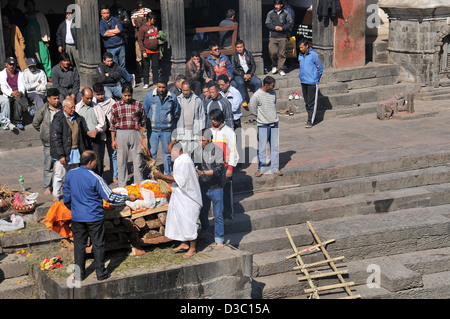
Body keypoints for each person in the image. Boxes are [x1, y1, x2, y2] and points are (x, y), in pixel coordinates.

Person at [63, 150, 137, 281]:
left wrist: (74, 209)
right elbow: (110, 197)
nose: (97, 163)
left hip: (77, 217)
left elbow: (67, 197)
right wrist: (128, 197)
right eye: (96, 161)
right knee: (98, 244)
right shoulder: (95, 178)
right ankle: (101, 273)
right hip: (93, 217)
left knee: (79, 245)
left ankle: (79, 274)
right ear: (91, 163)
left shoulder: (70, 175)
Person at [153, 141, 202, 258]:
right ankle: (184, 243)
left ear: (176, 151)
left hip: (189, 198)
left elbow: (177, 179)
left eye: (170, 153)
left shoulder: (184, 161)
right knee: (180, 221)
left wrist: (161, 176)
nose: (169, 155)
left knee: (189, 223)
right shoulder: (179, 161)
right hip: (180, 196)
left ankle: (193, 248)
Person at [50, 98, 88, 202]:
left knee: (74, 174)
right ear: (64, 108)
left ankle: (73, 193)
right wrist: (61, 155)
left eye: (74, 107)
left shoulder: (78, 118)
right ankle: (56, 194)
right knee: (59, 174)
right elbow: (55, 138)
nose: (73, 109)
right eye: (71, 107)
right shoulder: (58, 119)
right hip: (63, 151)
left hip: (75, 150)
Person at [110, 83, 146, 187]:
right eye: (125, 95)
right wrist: (113, 140)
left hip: (135, 133)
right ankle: (122, 184)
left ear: (132, 94)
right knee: (121, 160)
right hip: (121, 134)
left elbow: (143, 122)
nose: (127, 98)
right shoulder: (116, 106)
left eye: (129, 95)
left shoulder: (138, 105)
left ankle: (138, 183)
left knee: (138, 159)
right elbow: (112, 126)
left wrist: (143, 138)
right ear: (121, 94)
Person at [194, 128, 226, 247]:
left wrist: (203, 173)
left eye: (203, 140)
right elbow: (192, 163)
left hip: (216, 187)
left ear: (209, 140)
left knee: (218, 215)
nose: (201, 142)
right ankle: (205, 231)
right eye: (200, 140)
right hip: (203, 186)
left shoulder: (217, 151)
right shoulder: (198, 151)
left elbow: (218, 170)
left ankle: (219, 238)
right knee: (203, 212)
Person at [143, 77, 180, 175]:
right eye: (159, 87)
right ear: (156, 86)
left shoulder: (172, 97)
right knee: (152, 153)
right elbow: (144, 112)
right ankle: (152, 173)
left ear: (166, 86)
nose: (161, 89)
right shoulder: (149, 96)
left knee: (167, 153)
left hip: (167, 130)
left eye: (163, 87)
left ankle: (167, 173)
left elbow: (176, 113)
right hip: (153, 130)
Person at [209, 109, 238, 225]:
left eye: (214, 119)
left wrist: (230, 168)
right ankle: (218, 215)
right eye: (211, 119)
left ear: (221, 119)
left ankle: (228, 215)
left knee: (226, 192)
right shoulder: (210, 131)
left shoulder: (229, 132)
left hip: (225, 166)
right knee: (216, 192)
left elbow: (234, 151)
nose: (213, 121)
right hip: (214, 166)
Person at [249, 76, 283, 177]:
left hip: (274, 124)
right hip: (263, 125)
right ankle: (262, 168)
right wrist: (261, 118)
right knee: (262, 148)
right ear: (266, 85)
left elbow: (273, 105)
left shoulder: (273, 93)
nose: (273, 87)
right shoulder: (257, 96)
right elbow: (253, 109)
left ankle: (275, 168)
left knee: (275, 147)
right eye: (272, 85)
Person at [32, 88, 61, 196]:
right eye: (54, 98)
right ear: (48, 99)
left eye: (58, 98)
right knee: (48, 165)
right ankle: (47, 186)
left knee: (62, 164)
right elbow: (35, 123)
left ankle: (61, 184)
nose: (57, 101)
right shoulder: (43, 110)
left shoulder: (62, 108)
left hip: (60, 141)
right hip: (49, 142)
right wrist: (44, 131)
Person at [76, 88, 107, 177]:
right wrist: (85, 132)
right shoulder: (78, 108)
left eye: (91, 98)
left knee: (97, 160)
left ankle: (98, 178)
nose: (90, 100)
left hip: (95, 137)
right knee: (85, 160)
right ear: (82, 97)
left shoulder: (96, 107)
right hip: (83, 138)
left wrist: (96, 130)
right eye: (87, 98)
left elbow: (103, 123)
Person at [93, 82, 118, 185]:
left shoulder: (111, 101)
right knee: (100, 156)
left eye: (102, 94)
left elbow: (115, 115)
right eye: (98, 94)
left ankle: (115, 176)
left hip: (110, 132)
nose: (100, 96)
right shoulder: (93, 103)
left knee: (113, 155)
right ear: (94, 94)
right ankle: (101, 177)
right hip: (99, 133)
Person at [298, 38, 324, 128]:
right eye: (300, 47)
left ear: (307, 46)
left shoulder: (314, 54)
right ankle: (311, 116)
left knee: (312, 102)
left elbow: (320, 68)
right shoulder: (300, 55)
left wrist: (316, 78)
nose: (300, 49)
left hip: (312, 82)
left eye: (302, 47)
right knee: (306, 101)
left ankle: (310, 120)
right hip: (303, 81)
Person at [175, 81, 205, 156]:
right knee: (184, 152)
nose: (185, 92)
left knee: (196, 152)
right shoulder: (178, 100)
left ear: (190, 89)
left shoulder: (197, 100)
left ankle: (195, 167)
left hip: (195, 130)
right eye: (183, 90)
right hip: (183, 130)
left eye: (187, 90)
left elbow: (202, 116)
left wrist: (201, 131)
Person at [24, 0, 52, 79]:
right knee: (31, 59)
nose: (29, 7)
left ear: (34, 5)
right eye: (27, 5)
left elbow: (45, 26)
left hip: (39, 40)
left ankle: (48, 75)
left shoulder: (39, 15)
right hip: (29, 42)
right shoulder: (24, 16)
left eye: (31, 5)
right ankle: (33, 77)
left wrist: (47, 40)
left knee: (44, 57)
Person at [265, 0, 293, 76]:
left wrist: (283, 28)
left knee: (282, 54)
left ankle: (280, 68)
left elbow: (290, 23)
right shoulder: (270, 13)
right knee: (272, 52)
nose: (276, 6)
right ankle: (274, 65)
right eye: (275, 5)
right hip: (273, 36)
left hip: (282, 36)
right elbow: (267, 23)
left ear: (281, 5)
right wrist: (274, 27)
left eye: (278, 5)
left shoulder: (286, 13)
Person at [230, 40, 262, 106]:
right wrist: (242, 75)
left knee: (258, 82)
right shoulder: (233, 56)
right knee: (240, 82)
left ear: (243, 47)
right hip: (239, 74)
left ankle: (258, 99)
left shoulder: (249, 54)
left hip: (249, 73)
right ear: (236, 48)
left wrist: (250, 74)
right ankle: (243, 100)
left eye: (241, 47)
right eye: (238, 47)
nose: (240, 49)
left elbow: (253, 65)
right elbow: (233, 69)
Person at [0, 57, 28, 130]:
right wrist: (12, 93)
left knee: (18, 100)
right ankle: (27, 108)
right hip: (8, 93)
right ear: (6, 64)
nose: (12, 66)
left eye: (13, 64)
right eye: (10, 64)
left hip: (18, 92)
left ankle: (17, 121)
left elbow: (22, 85)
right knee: (16, 99)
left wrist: (20, 92)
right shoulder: (2, 74)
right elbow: (3, 87)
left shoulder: (19, 73)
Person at [131, 0, 152, 83]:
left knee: (149, 54)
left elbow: (151, 22)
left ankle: (149, 71)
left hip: (147, 37)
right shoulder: (133, 12)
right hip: (138, 36)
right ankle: (140, 72)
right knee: (139, 55)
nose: (139, 2)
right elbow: (133, 24)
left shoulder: (148, 10)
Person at [138, 12, 160, 89]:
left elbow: (157, 35)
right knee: (146, 67)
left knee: (155, 66)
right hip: (147, 50)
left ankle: (155, 81)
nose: (154, 20)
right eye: (153, 19)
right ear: (149, 19)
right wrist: (143, 51)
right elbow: (140, 40)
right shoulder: (143, 28)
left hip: (156, 50)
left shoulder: (155, 26)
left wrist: (159, 36)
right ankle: (146, 83)